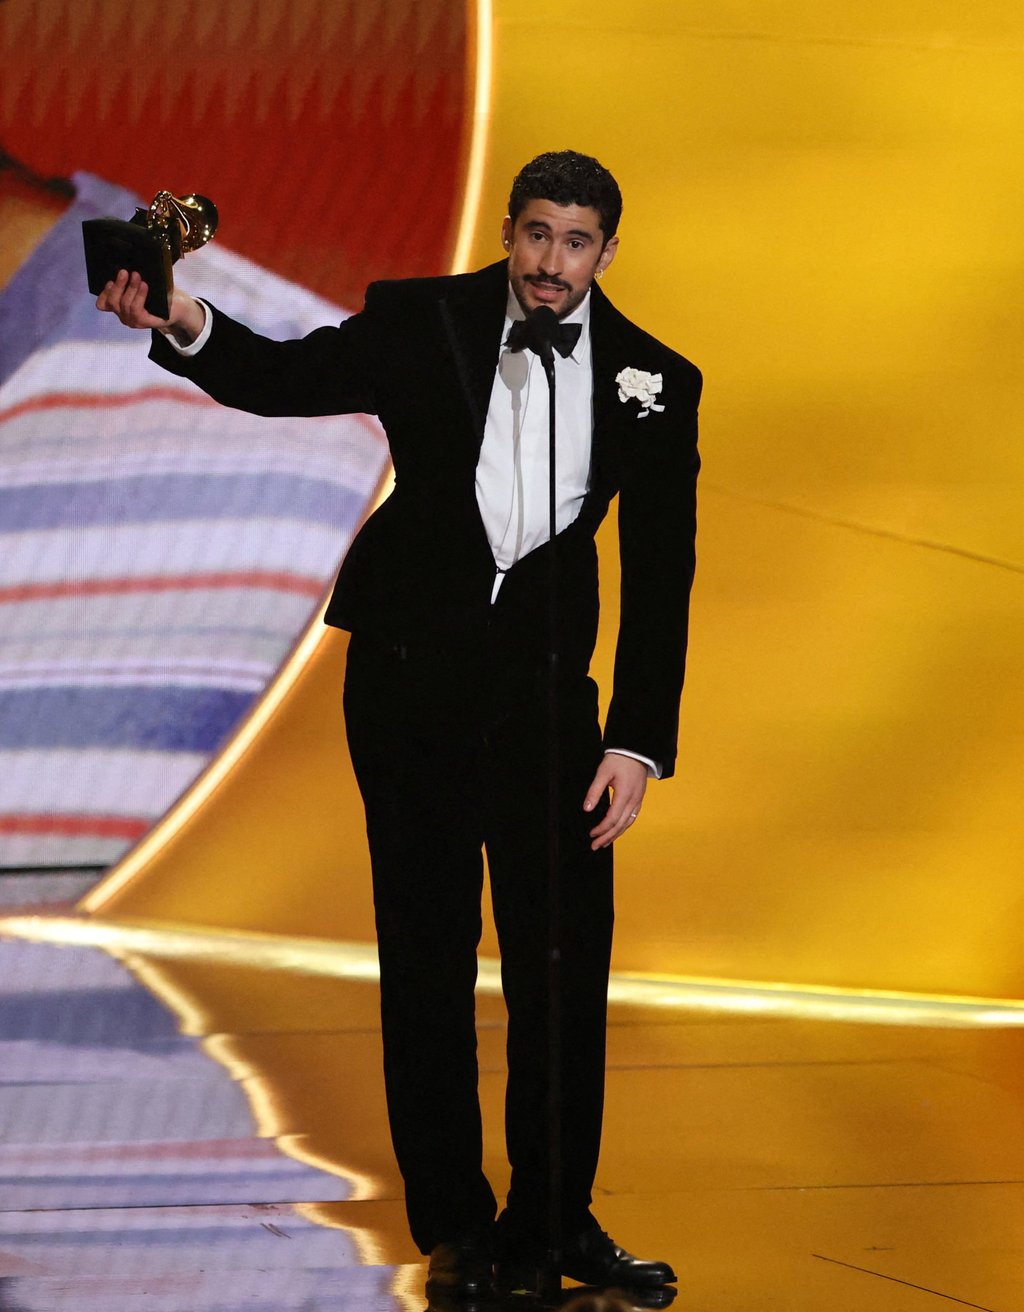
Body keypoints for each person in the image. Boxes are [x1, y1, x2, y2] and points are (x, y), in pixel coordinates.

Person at [97, 150, 702, 1298]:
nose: (549, 262)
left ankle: (557, 1223)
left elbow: (662, 572)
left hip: (546, 707)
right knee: (427, 956)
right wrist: (178, 316)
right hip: (411, 683)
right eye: (534, 234)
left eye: (575, 242)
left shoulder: (655, 379)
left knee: (560, 969)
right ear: (511, 231)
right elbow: (280, 376)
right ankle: (460, 1229)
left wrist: (635, 740)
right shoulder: (425, 319)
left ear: (607, 253)